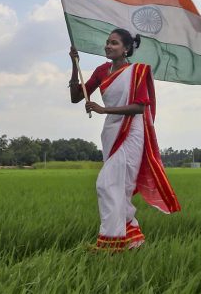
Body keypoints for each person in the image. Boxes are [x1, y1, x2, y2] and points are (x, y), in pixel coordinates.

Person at [69, 28, 180, 251]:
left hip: (131, 132)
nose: (108, 46)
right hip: (111, 132)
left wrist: (104, 109)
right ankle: (133, 241)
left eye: (114, 43)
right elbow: (76, 97)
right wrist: (74, 63)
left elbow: (139, 107)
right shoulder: (102, 71)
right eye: (107, 42)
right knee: (118, 188)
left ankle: (110, 242)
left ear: (126, 48)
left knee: (106, 183)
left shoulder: (136, 72)